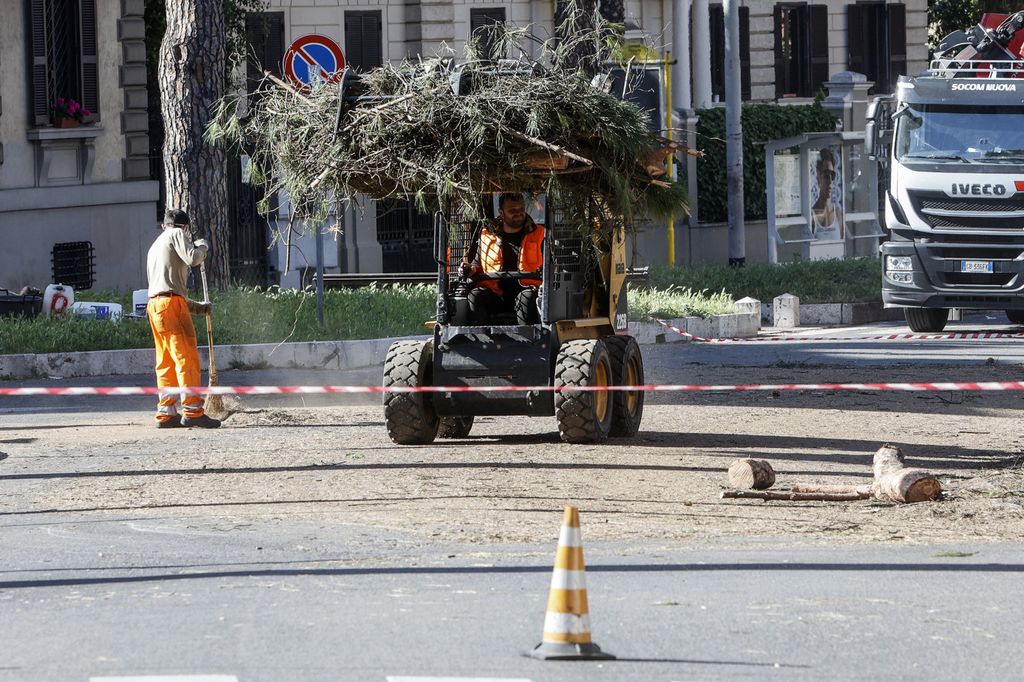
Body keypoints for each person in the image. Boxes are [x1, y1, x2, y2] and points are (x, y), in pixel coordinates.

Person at [145, 209, 220, 429]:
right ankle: (193, 410)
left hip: (156, 307)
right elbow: (193, 258)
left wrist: (198, 308)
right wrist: (202, 248)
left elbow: (166, 288)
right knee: (186, 357)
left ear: (163, 225)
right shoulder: (176, 234)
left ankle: (166, 412)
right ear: (184, 227)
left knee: (166, 361)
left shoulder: (155, 247)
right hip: (171, 305)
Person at [460, 193, 545, 325]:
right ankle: (481, 341)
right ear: (501, 212)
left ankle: (528, 342)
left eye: (521, 209)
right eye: (512, 210)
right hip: (495, 294)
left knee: (526, 298)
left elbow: (549, 264)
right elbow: (477, 264)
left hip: (527, 292)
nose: (518, 213)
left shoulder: (539, 233)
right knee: (475, 296)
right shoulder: (487, 235)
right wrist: (469, 269)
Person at [811, 148, 844, 240]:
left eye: (832, 175)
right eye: (826, 175)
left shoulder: (838, 214)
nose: (829, 181)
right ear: (818, 176)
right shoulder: (812, 216)